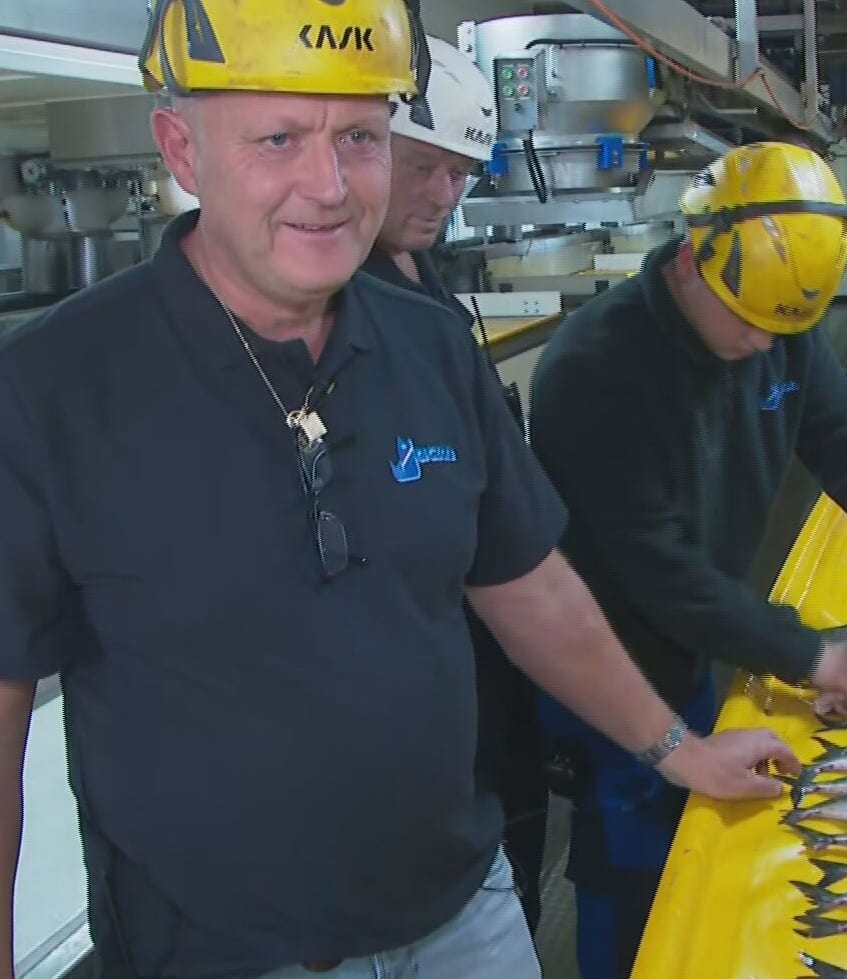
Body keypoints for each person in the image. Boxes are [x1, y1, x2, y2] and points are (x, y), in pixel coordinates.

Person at [0, 4, 799, 979]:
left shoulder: (430, 344)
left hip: (467, 920)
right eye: (278, 139)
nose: (327, 187)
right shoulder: (41, 395)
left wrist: (677, 748)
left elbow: (532, 589)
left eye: (360, 138)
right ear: (181, 149)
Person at [526, 141, 847, 979]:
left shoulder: (775, 331)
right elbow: (657, 567)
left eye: (780, 328)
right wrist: (811, 655)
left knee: (697, 849)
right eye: (746, 320)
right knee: (631, 861)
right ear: (692, 258)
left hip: (697, 634)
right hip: (611, 658)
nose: (761, 343)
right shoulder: (595, 369)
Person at [352, 33, 551, 934]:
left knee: (513, 844)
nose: (445, 193)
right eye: (423, 167)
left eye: (462, 172)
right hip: (419, 683)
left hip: (488, 659)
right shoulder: (334, 307)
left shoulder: (426, 285)